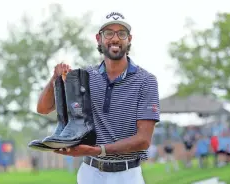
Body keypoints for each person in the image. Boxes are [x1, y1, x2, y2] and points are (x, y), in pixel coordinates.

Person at [36, 11, 160, 184]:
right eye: (109, 33)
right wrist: (54, 79)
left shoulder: (146, 81)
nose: (115, 39)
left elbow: (143, 140)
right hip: (91, 174)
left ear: (129, 39)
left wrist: (97, 150)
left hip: (128, 174)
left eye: (121, 33)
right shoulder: (85, 76)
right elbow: (43, 108)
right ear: (99, 38)